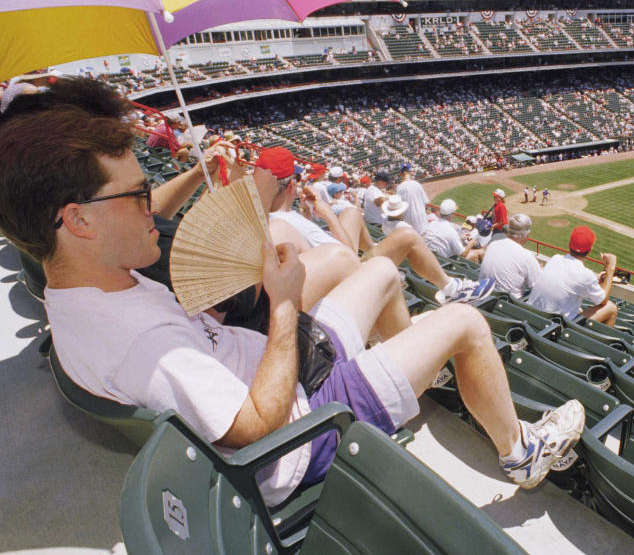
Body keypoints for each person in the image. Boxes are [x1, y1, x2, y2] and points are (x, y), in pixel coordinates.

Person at [0, 77, 585, 501]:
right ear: (77, 219)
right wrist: (281, 302)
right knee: (466, 323)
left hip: (284, 370)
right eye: (135, 194)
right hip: (303, 428)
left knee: (381, 272)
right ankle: (521, 454)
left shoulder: (80, 294)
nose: (150, 206)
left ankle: (410, 374)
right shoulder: (141, 339)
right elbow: (255, 427)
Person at [528, 226, 619, 326]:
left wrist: (595, 281)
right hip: (554, 327)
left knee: (579, 308)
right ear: (589, 251)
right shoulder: (586, 275)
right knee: (611, 307)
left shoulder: (555, 259)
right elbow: (602, 301)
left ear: (569, 245)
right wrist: (610, 268)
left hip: (531, 317)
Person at [479, 214, 541, 299]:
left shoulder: (493, 245)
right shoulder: (527, 257)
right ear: (526, 236)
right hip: (507, 305)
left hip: (482, 297)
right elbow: (538, 287)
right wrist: (538, 269)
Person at [396, 164, 429, 234]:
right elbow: (426, 204)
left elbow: (398, 208)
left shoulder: (399, 188)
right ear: (410, 172)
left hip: (409, 224)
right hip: (422, 222)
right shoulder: (418, 184)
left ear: (401, 174)